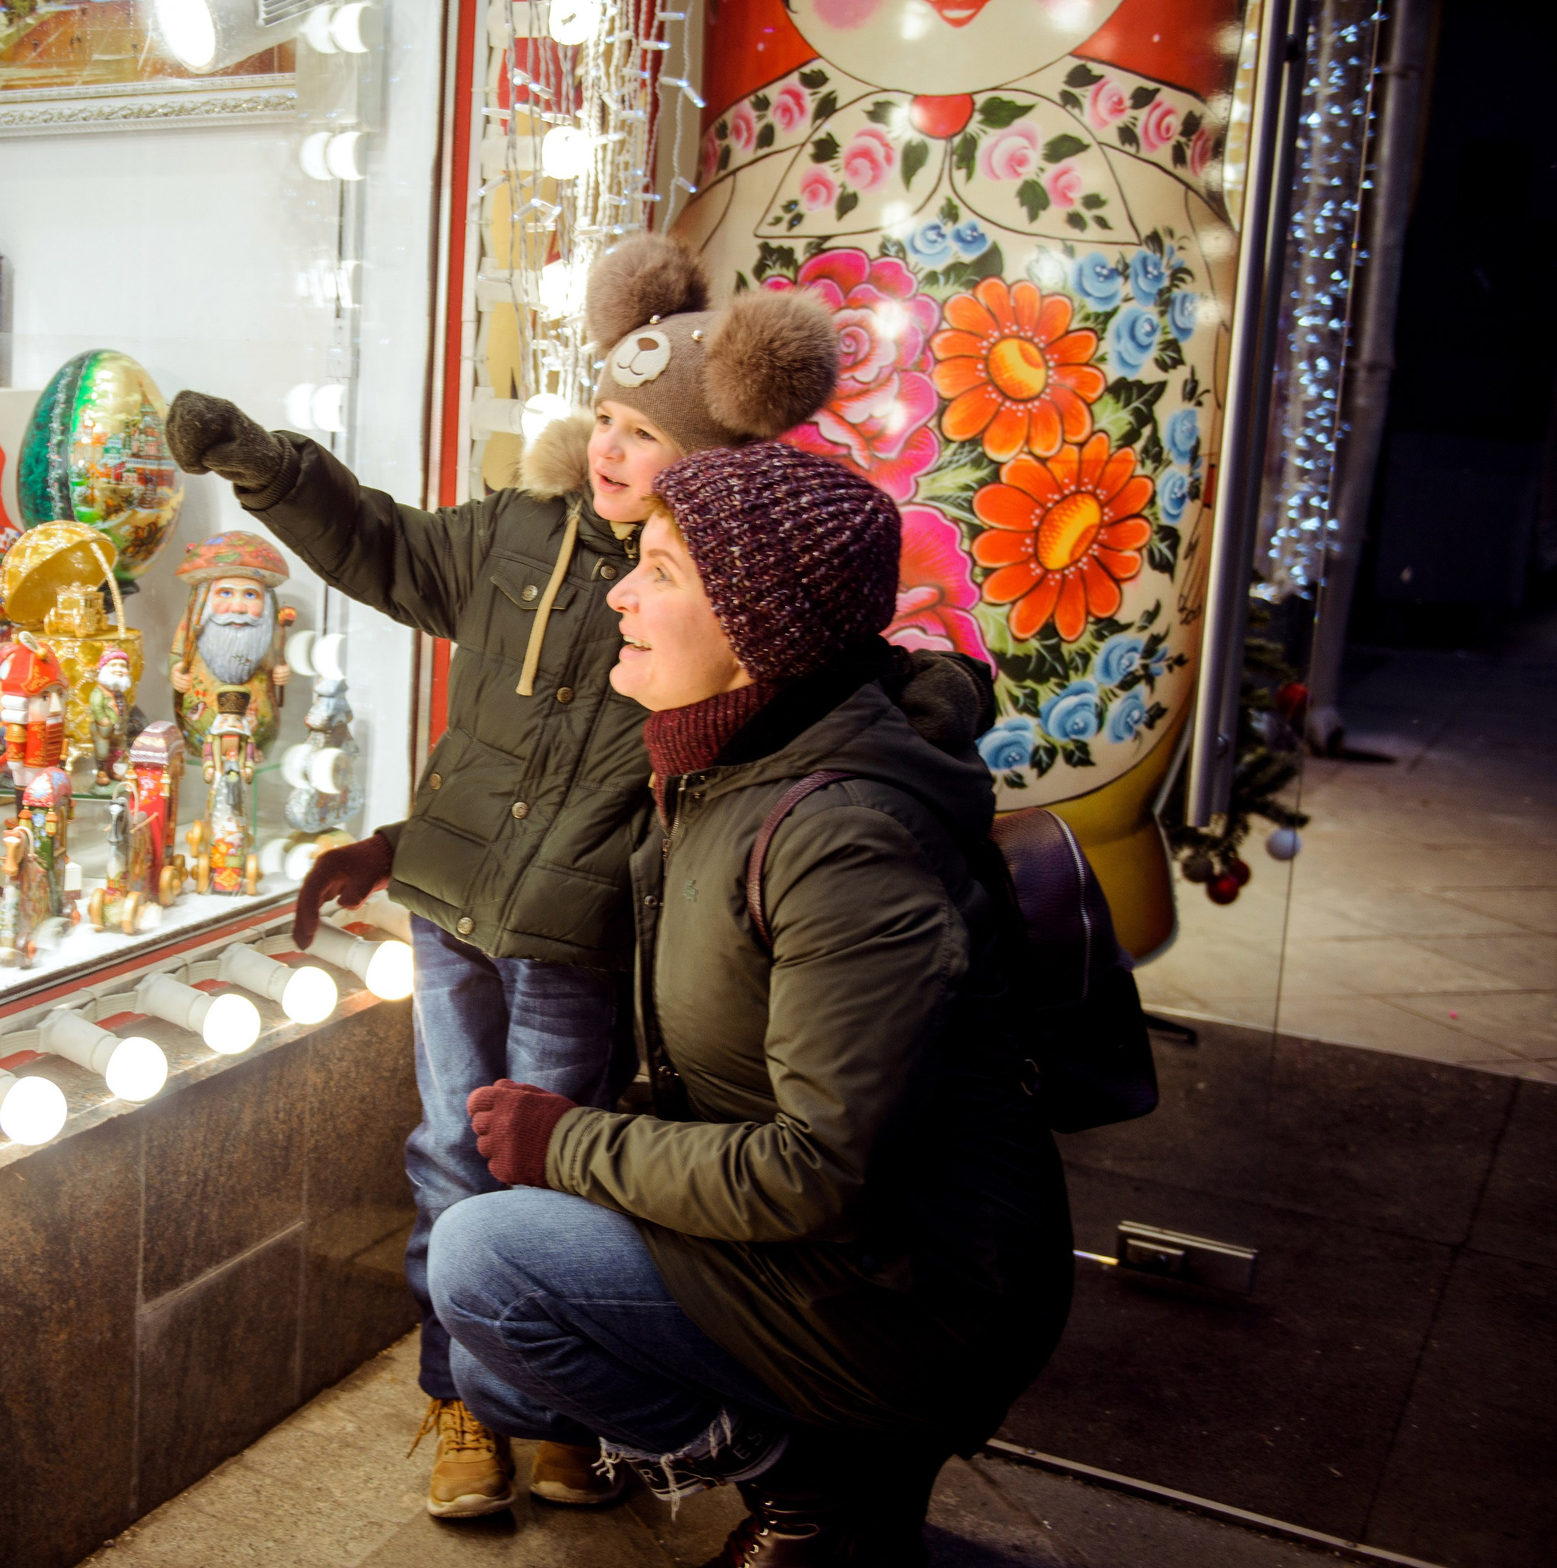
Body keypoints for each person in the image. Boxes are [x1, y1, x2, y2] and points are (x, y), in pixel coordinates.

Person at [163, 233, 840, 1516]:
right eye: (604, 416)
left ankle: (547, 1411)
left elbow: (822, 682)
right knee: (444, 1154)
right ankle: (464, 1404)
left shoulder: (702, 594)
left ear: (714, 460)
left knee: (539, 1162)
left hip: (577, 929)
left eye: (645, 432)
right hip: (449, 908)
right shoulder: (518, 534)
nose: (610, 448)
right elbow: (379, 547)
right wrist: (264, 458)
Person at [436, 440, 1073, 1558]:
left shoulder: (837, 838)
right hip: (845, 1251)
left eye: (664, 572)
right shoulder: (728, 763)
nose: (620, 592)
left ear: (760, 625)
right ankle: (830, 1476)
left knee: (489, 1259)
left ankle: (820, 1482)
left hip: (913, 1295)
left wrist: (571, 1143)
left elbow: (820, 1169)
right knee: (498, 1242)